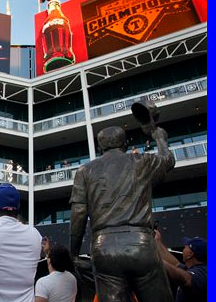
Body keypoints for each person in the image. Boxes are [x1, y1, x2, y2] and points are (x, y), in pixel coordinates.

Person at [70, 126, 175, 302]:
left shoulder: (84, 171)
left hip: (103, 248)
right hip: (141, 244)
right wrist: (160, 138)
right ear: (125, 144)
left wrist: (74, 253)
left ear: (100, 147)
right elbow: (168, 160)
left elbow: (78, 213)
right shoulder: (142, 160)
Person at [154, 230, 207, 302]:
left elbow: (186, 279)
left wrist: (155, 259)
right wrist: (157, 242)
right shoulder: (192, 269)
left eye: (185, 247)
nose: (183, 249)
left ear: (190, 254)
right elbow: (175, 264)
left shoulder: (202, 275)